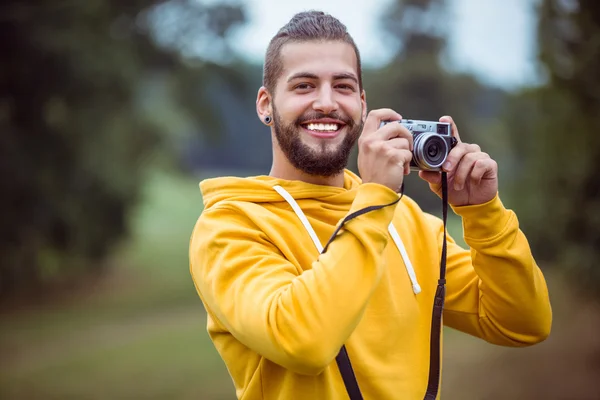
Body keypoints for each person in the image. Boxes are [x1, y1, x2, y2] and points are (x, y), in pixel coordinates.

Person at [189, 10, 552, 400]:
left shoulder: (409, 223)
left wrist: (484, 212)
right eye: (304, 86)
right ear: (266, 104)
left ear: (362, 104)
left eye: (343, 87)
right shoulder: (231, 226)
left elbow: (523, 322)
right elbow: (302, 341)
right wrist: (376, 200)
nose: (326, 103)